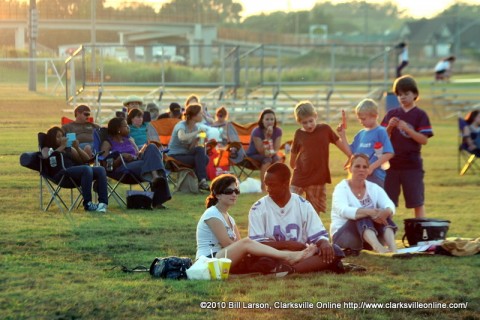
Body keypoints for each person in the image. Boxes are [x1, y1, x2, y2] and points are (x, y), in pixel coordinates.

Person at [195, 173, 317, 273]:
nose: (234, 194)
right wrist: (249, 250)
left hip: (223, 260)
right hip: (208, 261)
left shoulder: (230, 219)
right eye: (229, 191)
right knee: (248, 243)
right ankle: (289, 256)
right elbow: (228, 243)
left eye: (236, 191)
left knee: (258, 253)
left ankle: (297, 256)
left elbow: (237, 245)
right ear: (217, 195)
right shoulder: (212, 214)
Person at [248, 163, 346, 274]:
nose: (268, 189)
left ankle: (290, 270)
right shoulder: (258, 208)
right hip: (274, 255)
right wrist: (286, 244)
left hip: (301, 254)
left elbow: (318, 236)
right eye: (266, 185)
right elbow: (255, 245)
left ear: (285, 184)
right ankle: (304, 267)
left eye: (272, 185)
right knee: (264, 262)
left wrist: (324, 243)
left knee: (334, 250)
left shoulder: (303, 205)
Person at [381, 75, 433, 218]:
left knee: (417, 202)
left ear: (415, 94)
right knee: (388, 203)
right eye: (399, 94)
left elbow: (424, 140)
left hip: (412, 165)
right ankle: (386, 234)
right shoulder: (392, 114)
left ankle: (421, 234)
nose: (402, 97)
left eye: (406, 94)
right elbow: (381, 139)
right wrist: (389, 128)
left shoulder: (420, 115)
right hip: (391, 165)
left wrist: (408, 130)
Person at [289, 101, 351, 214]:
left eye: (311, 121)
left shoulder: (325, 130)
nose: (308, 125)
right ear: (299, 122)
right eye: (304, 123)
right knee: (290, 203)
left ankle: (312, 230)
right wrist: (295, 168)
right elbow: (293, 156)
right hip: (300, 175)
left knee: (314, 211)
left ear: (315, 116)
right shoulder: (299, 134)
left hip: (318, 176)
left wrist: (350, 156)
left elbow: (340, 145)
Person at [331, 154, 397, 254]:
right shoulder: (341, 188)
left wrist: (386, 212)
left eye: (365, 167)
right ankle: (379, 248)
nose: (361, 169)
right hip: (343, 237)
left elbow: (389, 204)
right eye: (357, 166)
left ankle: (393, 249)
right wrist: (369, 212)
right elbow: (343, 210)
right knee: (362, 216)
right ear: (350, 169)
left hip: (367, 238)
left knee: (383, 214)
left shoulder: (373, 187)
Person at [100, 117, 171, 209]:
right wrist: (122, 158)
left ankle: (155, 176)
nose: (128, 128)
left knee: (152, 147)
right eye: (126, 126)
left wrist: (141, 152)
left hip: (137, 162)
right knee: (155, 164)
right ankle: (157, 196)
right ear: (118, 129)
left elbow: (137, 153)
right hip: (124, 168)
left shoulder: (129, 140)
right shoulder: (108, 143)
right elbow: (106, 165)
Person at [42, 126, 108, 213]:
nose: (61, 138)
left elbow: (86, 160)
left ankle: (102, 204)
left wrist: (77, 148)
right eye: (58, 137)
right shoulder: (47, 149)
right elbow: (47, 158)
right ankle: (88, 203)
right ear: (51, 139)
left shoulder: (69, 149)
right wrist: (62, 146)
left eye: (62, 136)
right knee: (86, 169)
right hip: (61, 174)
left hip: (76, 174)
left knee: (100, 169)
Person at [337, 98, 394, 188]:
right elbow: (350, 153)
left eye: (363, 119)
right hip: (359, 178)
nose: (361, 122)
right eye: (359, 119)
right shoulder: (361, 134)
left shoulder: (380, 131)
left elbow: (389, 153)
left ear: (374, 116)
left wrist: (371, 167)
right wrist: (342, 135)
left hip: (375, 179)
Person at [168, 103, 210, 191]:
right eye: (200, 113)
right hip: (175, 156)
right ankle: (201, 180)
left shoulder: (195, 127)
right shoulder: (181, 125)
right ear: (193, 115)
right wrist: (196, 133)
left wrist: (197, 140)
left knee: (204, 156)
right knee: (203, 159)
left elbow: (190, 148)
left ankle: (200, 181)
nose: (202, 115)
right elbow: (182, 137)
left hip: (185, 154)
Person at [246, 109, 283, 192]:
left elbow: (276, 148)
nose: (270, 122)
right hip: (254, 154)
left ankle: (279, 185)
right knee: (267, 160)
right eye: (267, 119)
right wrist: (267, 137)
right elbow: (261, 151)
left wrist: (272, 153)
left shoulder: (278, 131)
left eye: (272, 119)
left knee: (278, 160)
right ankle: (264, 187)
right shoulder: (256, 131)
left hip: (270, 153)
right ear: (262, 120)